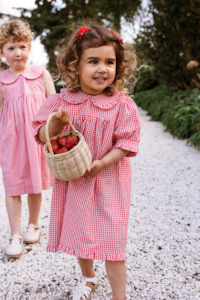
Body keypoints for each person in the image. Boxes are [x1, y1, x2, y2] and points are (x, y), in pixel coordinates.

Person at [32, 23, 141, 300]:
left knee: (113, 240)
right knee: (81, 234)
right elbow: (41, 135)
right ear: (74, 66)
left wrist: (104, 162)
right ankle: (88, 277)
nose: (102, 68)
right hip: (76, 182)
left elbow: (127, 143)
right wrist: (54, 125)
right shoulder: (61, 102)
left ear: (118, 66)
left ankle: (120, 295)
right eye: (93, 61)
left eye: (109, 62)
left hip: (109, 180)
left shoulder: (121, 105)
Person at [0, 19, 56, 258]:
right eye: (11, 48)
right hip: (10, 141)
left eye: (22, 46)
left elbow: (54, 105)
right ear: (2, 52)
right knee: (12, 186)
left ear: (30, 47)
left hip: (36, 139)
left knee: (35, 182)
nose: (17, 53)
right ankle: (15, 234)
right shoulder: (1, 80)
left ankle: (33, 223)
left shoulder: (41, 75)